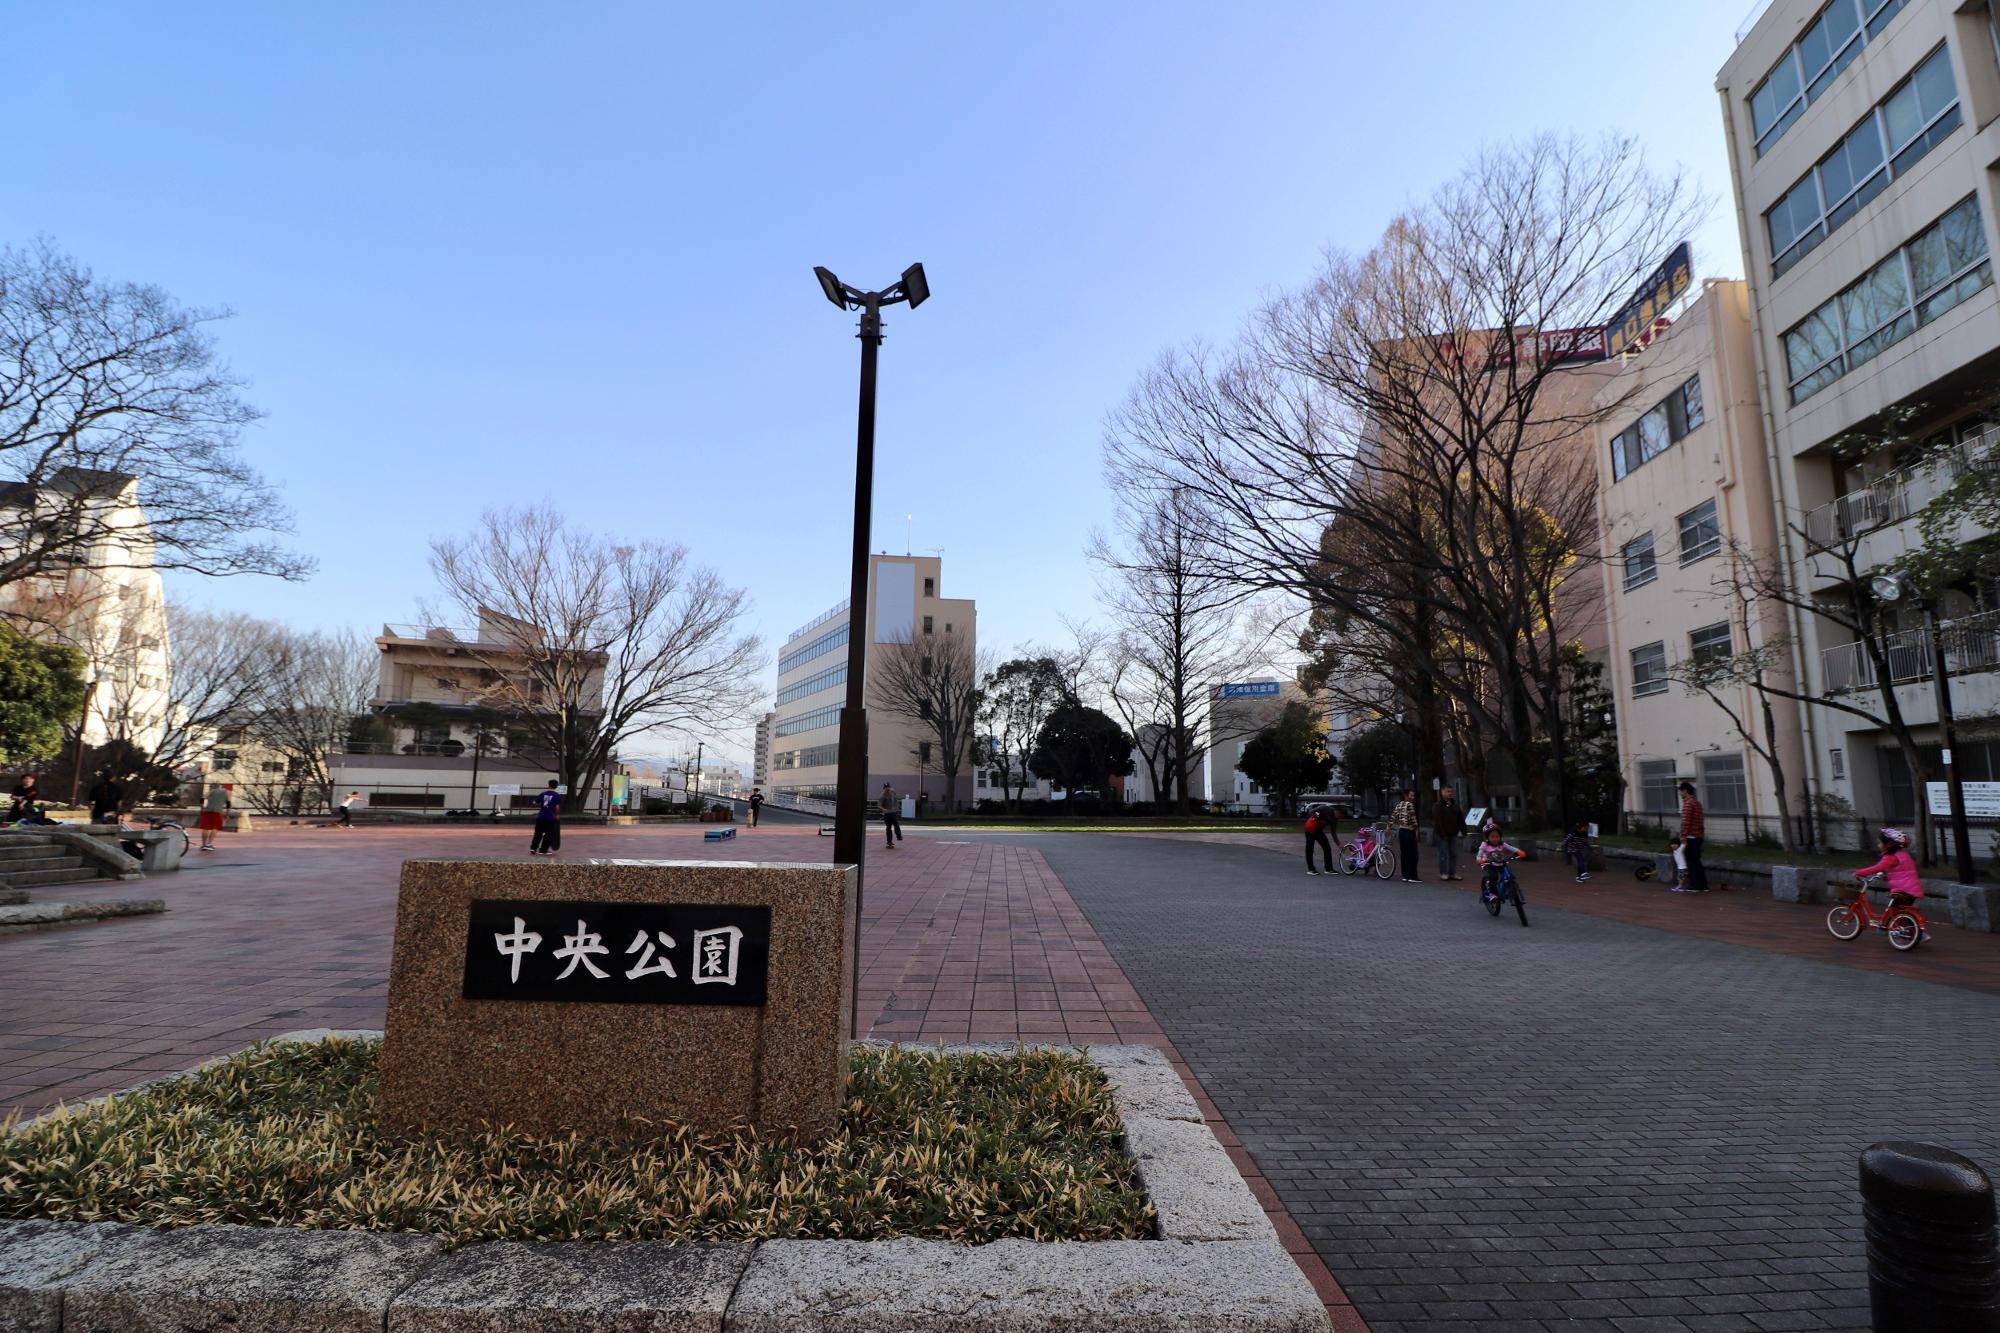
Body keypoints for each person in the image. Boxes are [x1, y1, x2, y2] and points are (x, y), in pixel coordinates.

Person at [1854, 828, 1925, 939]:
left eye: (1880, 843)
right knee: (1900, 911)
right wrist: (1887, 878)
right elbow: (1903, 873)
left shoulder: (1890, 858)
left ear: (1889, 844)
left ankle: (1885, 928)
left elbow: (1877, 868)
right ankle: (1914, 932)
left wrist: (1859, 872)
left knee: (1893, 910)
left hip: (1903, 890)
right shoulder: (1903, 855)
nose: (1878, 845)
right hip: (1912, 889)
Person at [1678, 781, 1710, 893]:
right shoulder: (1697, 803)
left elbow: (1686, 821)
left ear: (1685, 791)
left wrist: (1683, 835)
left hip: (1691, 836)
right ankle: (1703, 885)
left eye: (1681, 791)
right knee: (1697, 861)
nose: (1680, 794)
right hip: (1699, 835)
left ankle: (1694, 885)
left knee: (1691, 861)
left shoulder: (1688, 803)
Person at [1476, 827, 1525, 900]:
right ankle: (1492, 894)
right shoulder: (1485, 845)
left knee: (1510, 876)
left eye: (1497, 837)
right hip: (1489, 863)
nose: (1495, 839)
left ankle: (1510, 889)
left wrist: (1519, 852)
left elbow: (1511, 848)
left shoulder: (1502, 843)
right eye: (1492, 837)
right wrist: (1479, 860)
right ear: (1487, 837)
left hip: (1501, 862)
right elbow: (1479, 854)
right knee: (1493, 876)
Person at [1389, 788, 1421, 883]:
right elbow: (1413, 820)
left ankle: (1405, 875)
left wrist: (1388, 827)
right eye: (1411, 795)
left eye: (1413, 795)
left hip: (1401, 831)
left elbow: (1393, 816)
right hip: (1409, 831)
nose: (1413, 797)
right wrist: (1416, 831)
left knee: (1404, 854)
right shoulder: (1410, 805)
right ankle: (1412, 876)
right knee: (1413, 854)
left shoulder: (1399, 804)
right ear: (1406, 796)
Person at [1433, 791, 1462, 881]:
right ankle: (1443, 872)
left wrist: (1462, 829)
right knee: (1443, 853)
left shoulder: (1454, 805)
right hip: (1442, 833)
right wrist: (1441, 832)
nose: (1450, 793)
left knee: (1453, 853)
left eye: (1451, 791)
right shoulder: (1438, 805)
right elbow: (1437, 820)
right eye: (1447, 791)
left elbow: (1459, 817)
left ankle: (1452, 872)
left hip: (1453, 832)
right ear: (1442, 792)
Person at [1303, 803, 1337, 876]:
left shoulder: (1334, 819)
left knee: (1327, 848)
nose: (1340, 816)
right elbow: (1311, 812)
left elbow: (1333, 833)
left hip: (1318, 831)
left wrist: (1339, 844)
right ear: (1335, 811)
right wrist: (1319, 818)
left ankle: (1328, 869)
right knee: (1310, 849)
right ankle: (1311, 869)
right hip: (1310, 828)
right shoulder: (1325, 808)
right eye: (1339, 813)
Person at [530, 779, 562, 855]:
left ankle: (533, 848)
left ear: (549, 785)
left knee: (538, 833)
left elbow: (534, 802)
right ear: (556, 786)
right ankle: (543, 850)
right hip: (550, 817)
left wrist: (541, 804)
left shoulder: (543, 794)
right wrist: (557, 815)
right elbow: (557, 807)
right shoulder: (557, 795)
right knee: (549, 834)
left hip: (541, 816)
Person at [197, 783, 230, 851]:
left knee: (205, 827)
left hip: (208, 811)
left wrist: (202, 808)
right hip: (218, 812)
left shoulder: (212, 791)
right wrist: (227, 814)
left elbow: (202, 798)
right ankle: (209, 844)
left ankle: (204, 844)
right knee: (215, 827)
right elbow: (228, 804)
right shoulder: (226, 792)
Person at [879, 783, 903, 848]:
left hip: (893, 812)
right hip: (887, 814)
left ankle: (899, 836)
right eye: (885, 788)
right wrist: (884, 809)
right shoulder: (882, 796)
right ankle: (889, 841)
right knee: (888, 827)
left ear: (890, 788)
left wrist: (897, 806)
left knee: (896, 824)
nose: (887, 789)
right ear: (883, 789)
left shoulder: (893, 792)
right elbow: (879, 805)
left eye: (888, 788)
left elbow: (895, 799)